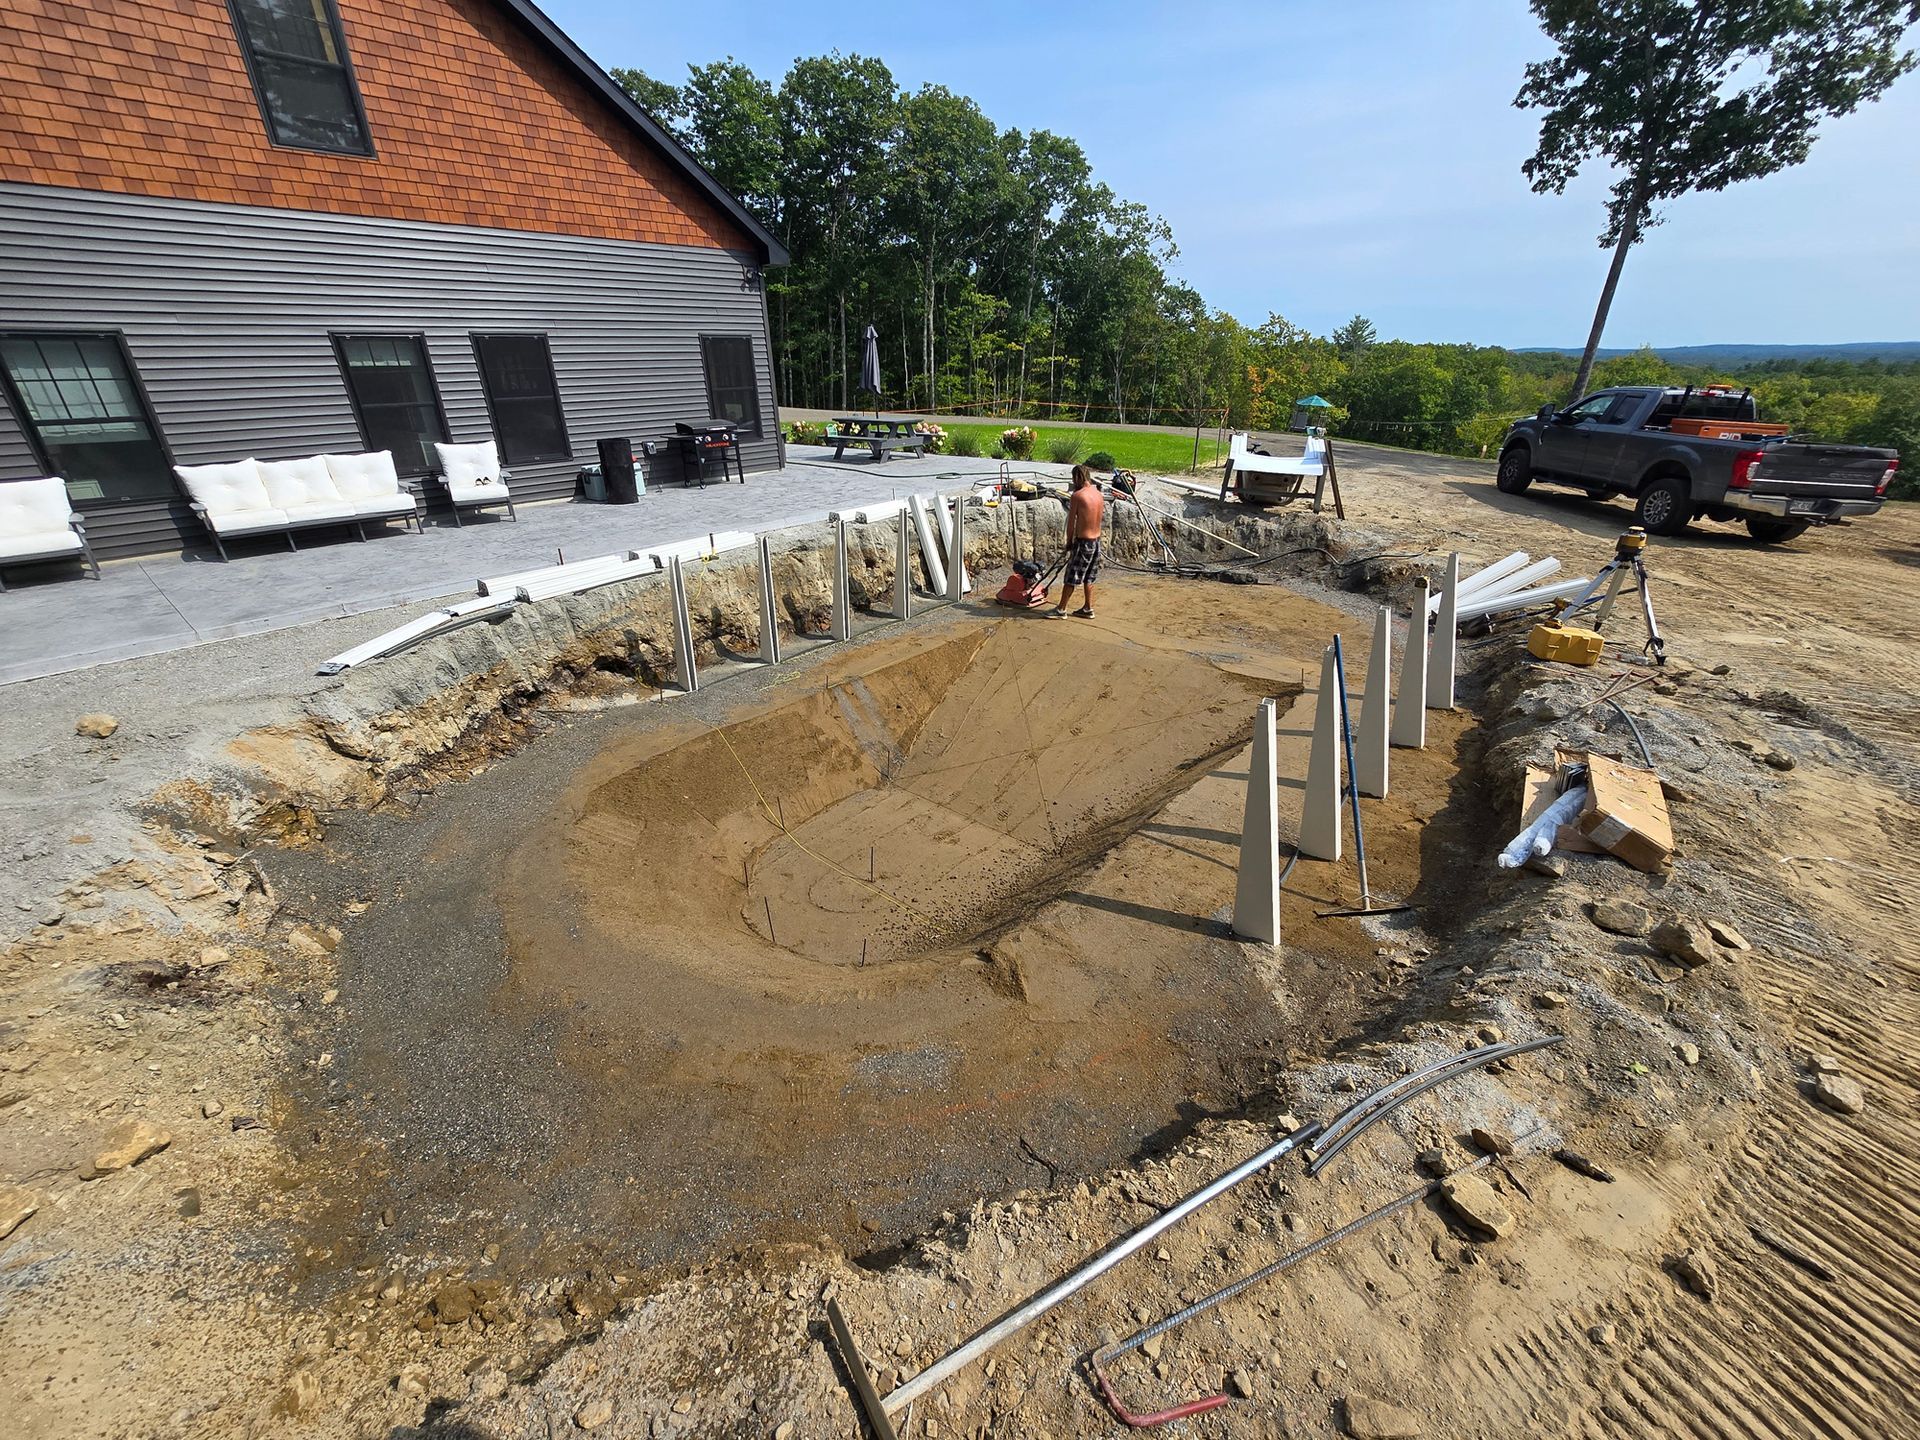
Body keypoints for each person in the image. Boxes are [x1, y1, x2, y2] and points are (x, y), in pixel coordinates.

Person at [1051, 464, 1105, 619]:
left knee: (1071, 576)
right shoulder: (1098, 494)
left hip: (1083, 542)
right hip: (1096, 542)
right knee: (1089, 576)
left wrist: (1069, 542)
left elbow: (1071, 524)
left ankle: (1061, 610)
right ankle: (1088, 608)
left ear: (1077, 477)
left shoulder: (1078, 496)